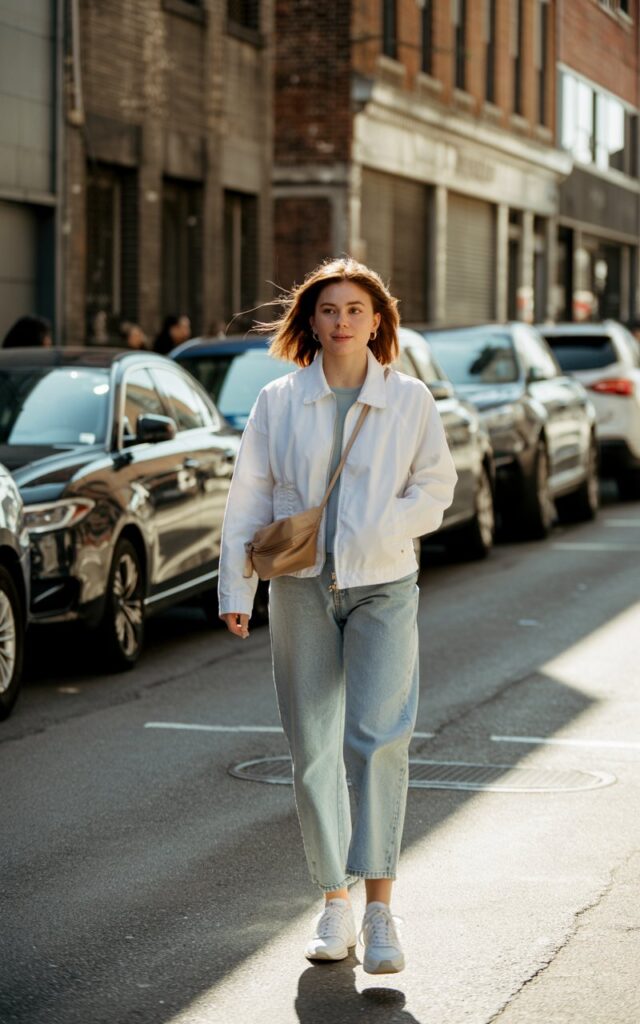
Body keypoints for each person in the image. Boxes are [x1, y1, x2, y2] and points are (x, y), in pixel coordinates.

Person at [218, 257, 457, 975]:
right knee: (313, 749)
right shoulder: (279, 400)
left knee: (378, 741)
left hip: (384, 584)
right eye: (329, 309)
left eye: (355, 309)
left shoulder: (409, 398)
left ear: (377, 320)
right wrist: (237, 591)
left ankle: (380, 909)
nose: (342, 321)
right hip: (300, 587)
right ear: (311, 321)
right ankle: (334, 902)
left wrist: (386, 525)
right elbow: (249, 496)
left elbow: (436, 485)